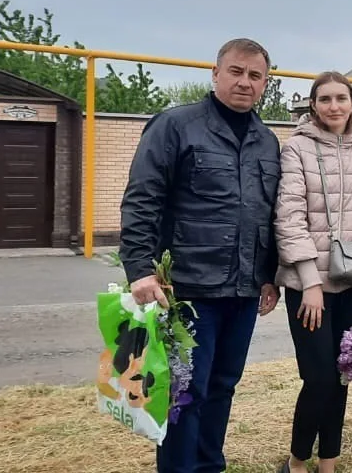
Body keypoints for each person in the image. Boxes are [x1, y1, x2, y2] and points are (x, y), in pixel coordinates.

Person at [118, 38, 281, 473]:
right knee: (186, 391)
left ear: (266, 82)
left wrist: (269, 275)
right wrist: (139, 269)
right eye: (236, 71)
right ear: (215, 73)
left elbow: (266, 214)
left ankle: (210, 466)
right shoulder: (175, 126)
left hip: (243, 290)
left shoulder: (267, 141)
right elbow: (141, 200)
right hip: (188, 290)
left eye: (255, 75)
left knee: (224, 385)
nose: (244, 82)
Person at [273, 72, 352, 473]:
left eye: (341, 98)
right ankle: (296, 459)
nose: (333, 106)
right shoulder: (296, 149)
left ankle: (329, 460)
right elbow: (289, 220)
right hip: (309, 286)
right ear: (313, 104)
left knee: (342, 375)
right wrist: (310, 283)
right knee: (319, 377)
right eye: (324, 99)